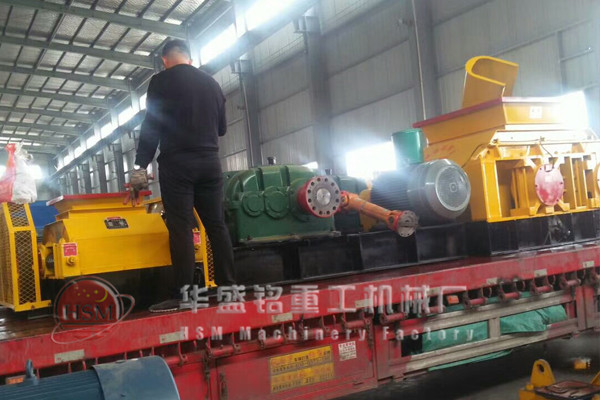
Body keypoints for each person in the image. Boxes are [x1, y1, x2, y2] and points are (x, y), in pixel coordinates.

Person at [129, 39, 235, 312]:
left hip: (178, 164)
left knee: (181, 228)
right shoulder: (212, 83)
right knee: (217, 225)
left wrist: (140, 165)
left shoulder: (160, 82)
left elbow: (152, 125)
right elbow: (222, 129)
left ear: (165, 60)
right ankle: (228, 289)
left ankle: (185, 296)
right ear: (189, 58)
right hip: (210, 162)